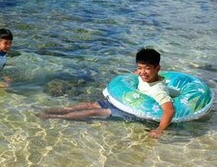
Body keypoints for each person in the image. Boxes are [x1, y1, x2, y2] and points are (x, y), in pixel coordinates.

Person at [39, 47, 176, 139]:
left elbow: (169, 110)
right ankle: (55, 110)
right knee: (91, 104)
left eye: (147, 69)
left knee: (92, 112)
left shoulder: (158, 90)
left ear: (157, 68)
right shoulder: (142, 76)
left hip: (128, 110)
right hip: (123, 100)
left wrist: (159, 130)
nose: (142, 72)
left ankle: (55, 116)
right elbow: (136, 77)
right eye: (139, 68)